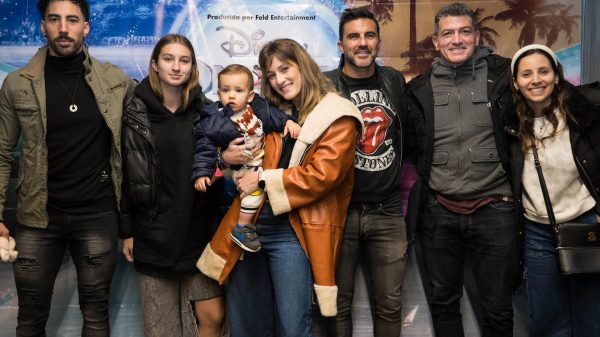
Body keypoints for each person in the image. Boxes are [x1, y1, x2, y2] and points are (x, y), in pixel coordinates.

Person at [197, 38, 363, 337]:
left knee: (293, 326)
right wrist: (224, 158)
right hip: (247, 225)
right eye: (271, 75)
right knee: (247, 323)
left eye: (285, 69)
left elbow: (322, 176)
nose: (280, 80)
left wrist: (264, 179)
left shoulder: (337, 114)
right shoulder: (267, 111)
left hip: (293, 231)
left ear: (303, 65)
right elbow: (221, 146)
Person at [0, 0, 136, 335]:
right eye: (55, 19)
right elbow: (2, 152)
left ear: (85, 27)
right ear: (43, 25)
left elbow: (160, 105)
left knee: (95, 312)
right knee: (30, 317)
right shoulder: (17, 83)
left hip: (97, 216)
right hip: (36, 219)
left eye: (72, 20)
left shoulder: (115, 80)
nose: (64, 28)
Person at [406, 3, 519, 337]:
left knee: (498, 307)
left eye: (464, 31)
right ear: (436, 41)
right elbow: (410, 144)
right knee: (443, 304)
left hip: (495, 208)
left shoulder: (506, 76)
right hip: (439, 211)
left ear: (477, 35)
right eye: (448, 33)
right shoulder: (419, 89)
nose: (457, 40)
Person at [120, 34, 225, 337]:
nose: (176, 67)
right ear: (154, 64)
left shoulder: (207, 113)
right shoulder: (134, 113)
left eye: (184, 60)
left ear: (193, 67)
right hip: (153, 233)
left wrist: (223, 161)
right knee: (161, 328)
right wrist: (127, 230)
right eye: (168, 59)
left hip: (200, 234)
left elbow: (224, 170)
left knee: (213, 317)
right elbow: (125, 173)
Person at [323, 7, 410, 337]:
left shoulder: (394, 81)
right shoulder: (325, 85)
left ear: (378, 41)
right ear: (341, 44)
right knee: (337, 304)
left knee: (389, 305)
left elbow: (409, 137)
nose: (362, 43)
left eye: (369, 35)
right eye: (354, 36)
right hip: (339, 211)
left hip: (388, 212)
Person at [508, 44, 600, 337]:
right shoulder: (510, 125)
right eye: (526, 74)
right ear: (515, 82)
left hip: (584, 223)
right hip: (537, 232)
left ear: (557, 76)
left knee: (591, 314)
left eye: (544, 71)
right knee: (548, 318)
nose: (536, 80)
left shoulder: (582, 115)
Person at [192, 64, 300, 253]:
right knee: (255, 192)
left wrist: (289, 122)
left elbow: (276, 117)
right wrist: (201, 173)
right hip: (238, 169)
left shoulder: (259, 111)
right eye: (226, 91)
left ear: (250, 96)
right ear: (218, 94)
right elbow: (204, 149)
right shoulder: (213, 122)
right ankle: (242, 227)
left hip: (256, 162)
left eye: (238, 90)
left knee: (259, 184)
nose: (231, 96)